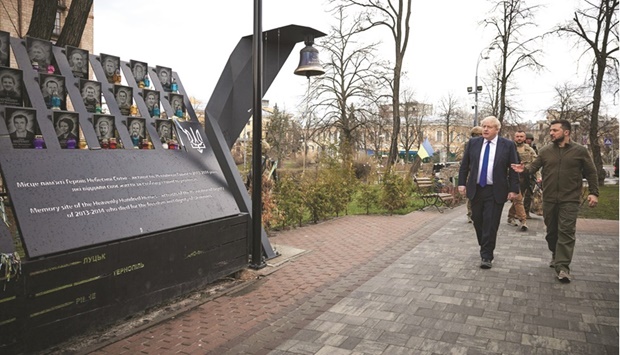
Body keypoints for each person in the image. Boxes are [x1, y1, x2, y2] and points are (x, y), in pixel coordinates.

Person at [512, 119, 598, 283]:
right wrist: (523, 170)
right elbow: (533, 168)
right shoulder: (545, 151)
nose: (551, 133)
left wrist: (594, 193)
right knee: (552, 232)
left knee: (566, 231)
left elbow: (591, 172)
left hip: (570, 199)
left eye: (555, 130)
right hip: (550, 198)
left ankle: (563, 267)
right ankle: (555, 253)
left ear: (566, 132)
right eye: (551, 130)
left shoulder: (579, 151)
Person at [458, 116, 519, 269]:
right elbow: (464, 165)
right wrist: (461, 183)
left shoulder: (507, 145)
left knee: (490, 223)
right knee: (477, 220)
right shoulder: (473, 143)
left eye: (489, 127)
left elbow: (514, 169)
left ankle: (486, 255)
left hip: (495, 190)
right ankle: (485, 243)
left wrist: (513, 189)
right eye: (484, 126)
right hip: (476, 189)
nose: (485, 129)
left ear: (497, 129)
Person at [506, 130, 538, 231]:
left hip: (525, 178)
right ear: (514, 137)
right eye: (517, 136)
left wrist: (538, 176)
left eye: (521, 136)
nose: (519, 138)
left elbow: (535, 163)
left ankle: (511, 216)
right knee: (518, 199)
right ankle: (523, 221)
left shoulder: (529, 150)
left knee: (518, 199)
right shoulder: (508, 148)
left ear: (524, 138)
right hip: (512, 178)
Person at [465, 126, 483, 223]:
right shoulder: (468, 145)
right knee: (471, 195)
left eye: (479, 135)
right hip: (471, 173)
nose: (478, 137)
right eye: (475, 135)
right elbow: (461, 159)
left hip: (481, 173)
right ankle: (470, 213)